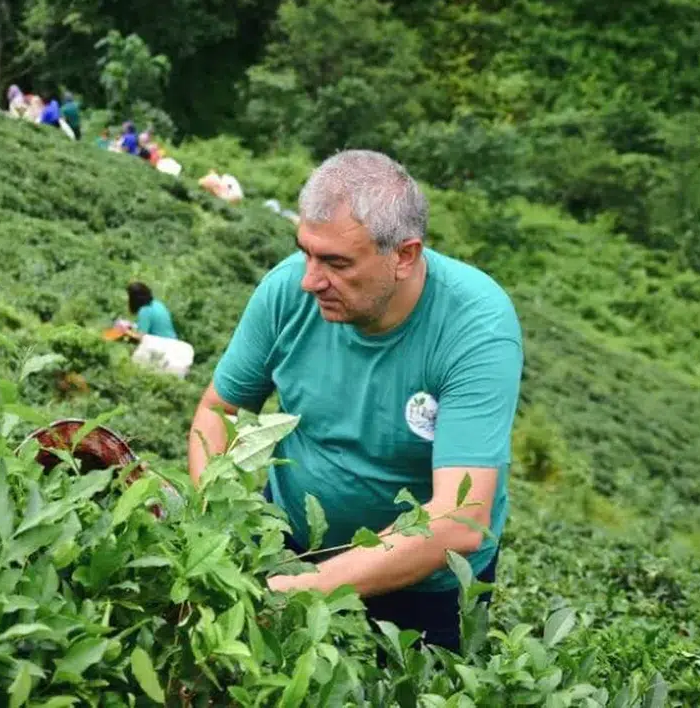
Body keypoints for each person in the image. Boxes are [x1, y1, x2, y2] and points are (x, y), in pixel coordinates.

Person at [187, 150, 523, 653]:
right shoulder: (287, 292)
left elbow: (459, 519)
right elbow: (217, 410)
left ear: (404, 256)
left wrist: (301, 592)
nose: (310, 280)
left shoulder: (476, 327)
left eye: (337, 263)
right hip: (291, 549)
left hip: (426, 585)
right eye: (306, 252)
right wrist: (216, 519)